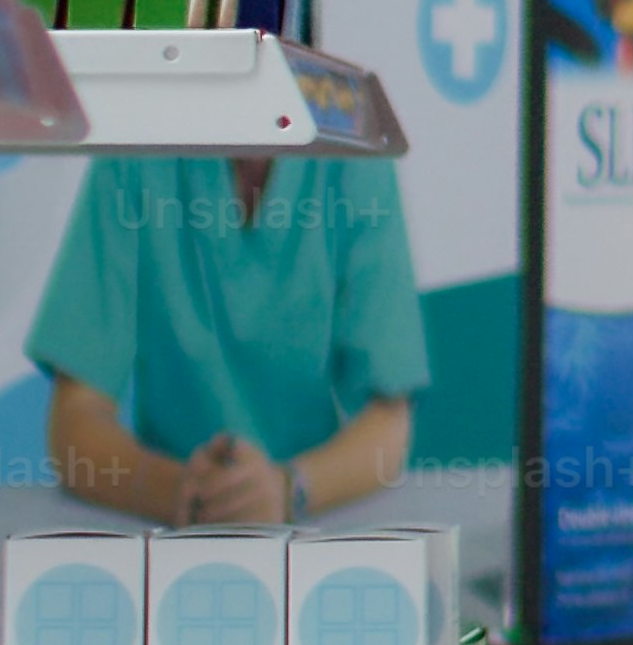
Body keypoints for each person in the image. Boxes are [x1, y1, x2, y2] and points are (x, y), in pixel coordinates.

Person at [32, 151, 424, 531]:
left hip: (308, 531)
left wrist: (287, 490)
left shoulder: (352, 151)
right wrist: (180, 491)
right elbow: (74, 425)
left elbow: (389, 425)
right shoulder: (137, 151)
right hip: (166, 528)